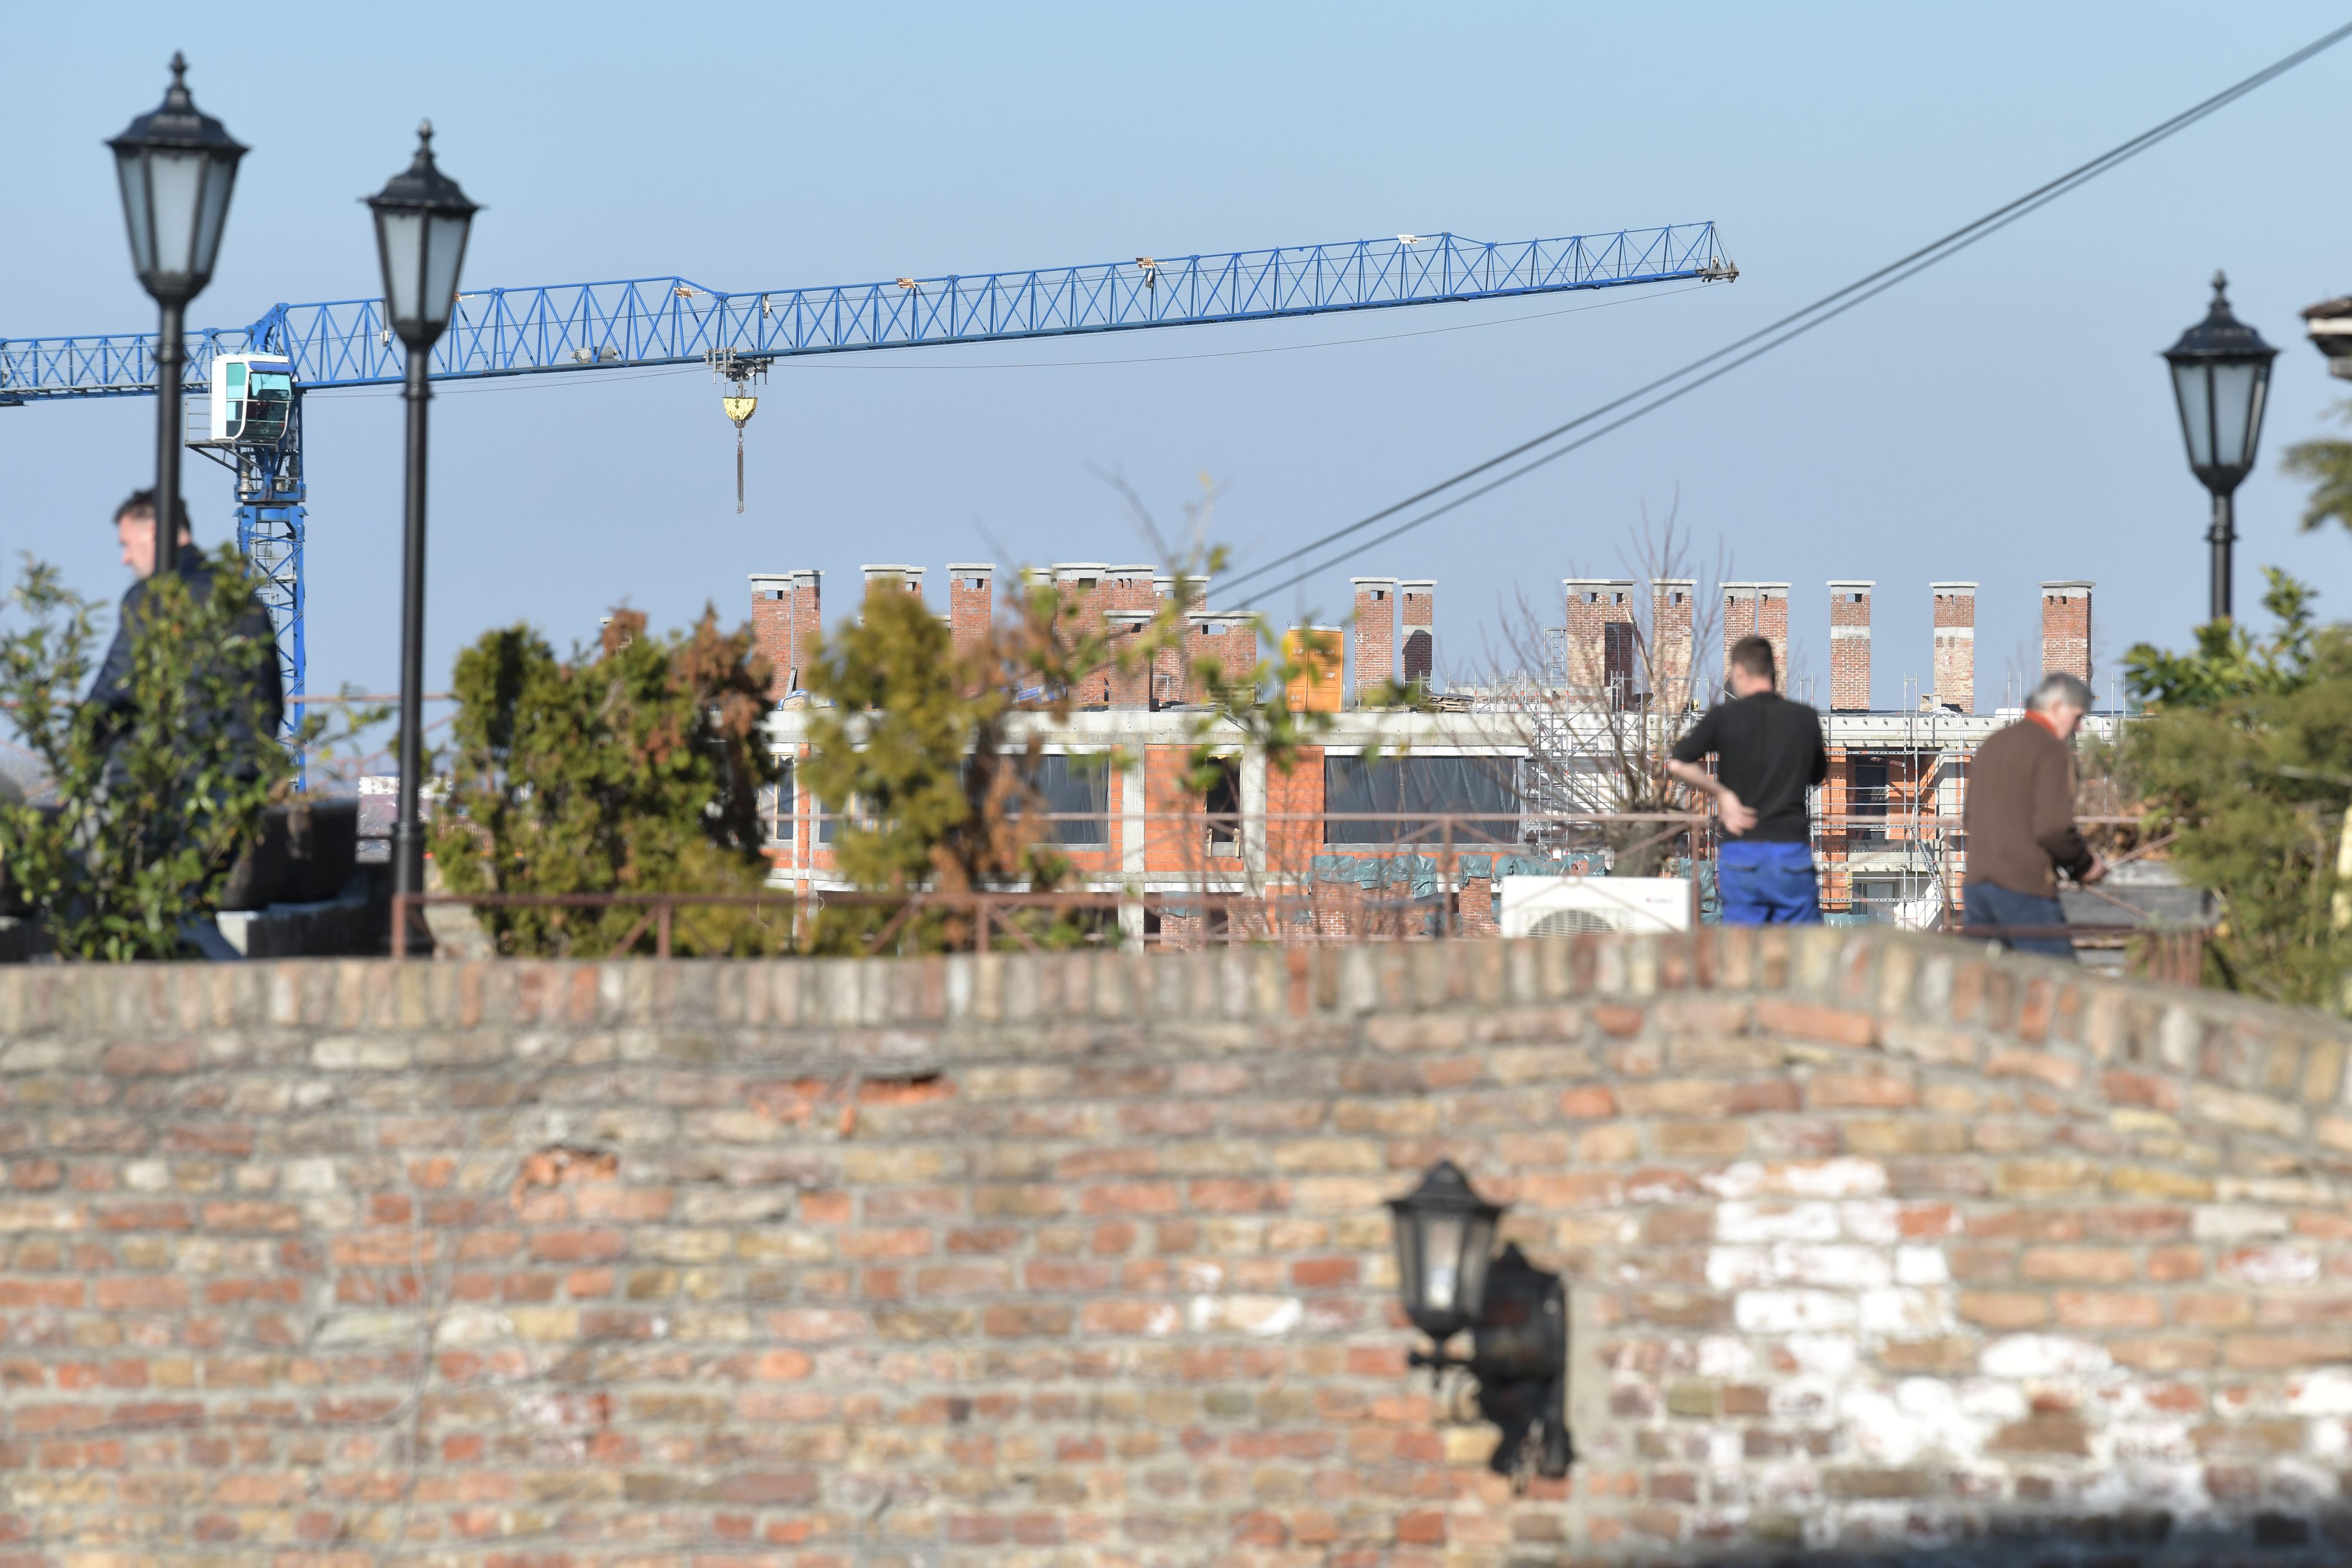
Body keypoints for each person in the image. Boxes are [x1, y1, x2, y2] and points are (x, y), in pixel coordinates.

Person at [88, 489, 283, 773]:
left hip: (177, 780)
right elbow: (270, 697)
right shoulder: (241, 597)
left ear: (153, 531)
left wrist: (82, 748)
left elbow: (117, 687)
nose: (126, 559)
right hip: (242, 776)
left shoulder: (152, 597)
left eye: (126, 544)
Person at [1666, 635, 1828, 924]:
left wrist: (1723, 794)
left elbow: (1678, 762)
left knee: (1743, 951)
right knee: (1803, 951)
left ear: (1739, 672)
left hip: (1742, 853)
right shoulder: (1804, 718)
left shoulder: (1725, 717)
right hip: (1789, 850)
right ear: (1773, 673)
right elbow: (1817, 776)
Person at [1962, 670, 2106, 958]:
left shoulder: (1994, 744)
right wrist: (2085, 865)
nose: (2078, 727)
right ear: (2055, 707)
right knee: (2058, 987)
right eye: (2077, 716)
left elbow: (1969, 818)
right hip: (2024, 888)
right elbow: (2053, 828)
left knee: (1983, 989)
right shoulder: (2051, 750)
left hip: (1977, 886)